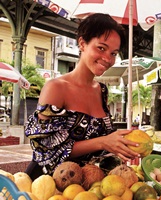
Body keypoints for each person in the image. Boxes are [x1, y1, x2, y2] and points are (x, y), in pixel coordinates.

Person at [25, 13, 140, 180]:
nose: (107, 58)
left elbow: (98, 141)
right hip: (52, 185)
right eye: (101, 48)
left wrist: (118, 144)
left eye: (114, 53)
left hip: (87, 185)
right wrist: (103, 142)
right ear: (82, 43)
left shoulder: (101, 90)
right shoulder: (56, 88)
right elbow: (46, 148)